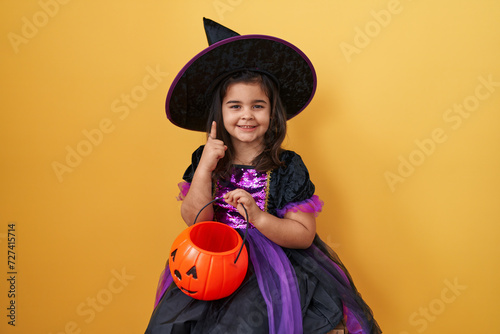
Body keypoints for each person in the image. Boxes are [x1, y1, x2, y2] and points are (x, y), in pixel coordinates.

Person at [145, 18, 381, 334]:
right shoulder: (206, 161)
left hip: (270, 270)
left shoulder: (287, 166)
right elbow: (194, 220)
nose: (246, 115)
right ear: (220, 113)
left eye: (258, 105)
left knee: (240, 325)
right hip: (213, 264)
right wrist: (205, 167)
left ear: (273, 112)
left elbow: (303, 235)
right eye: (235, 106)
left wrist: (256, 215)